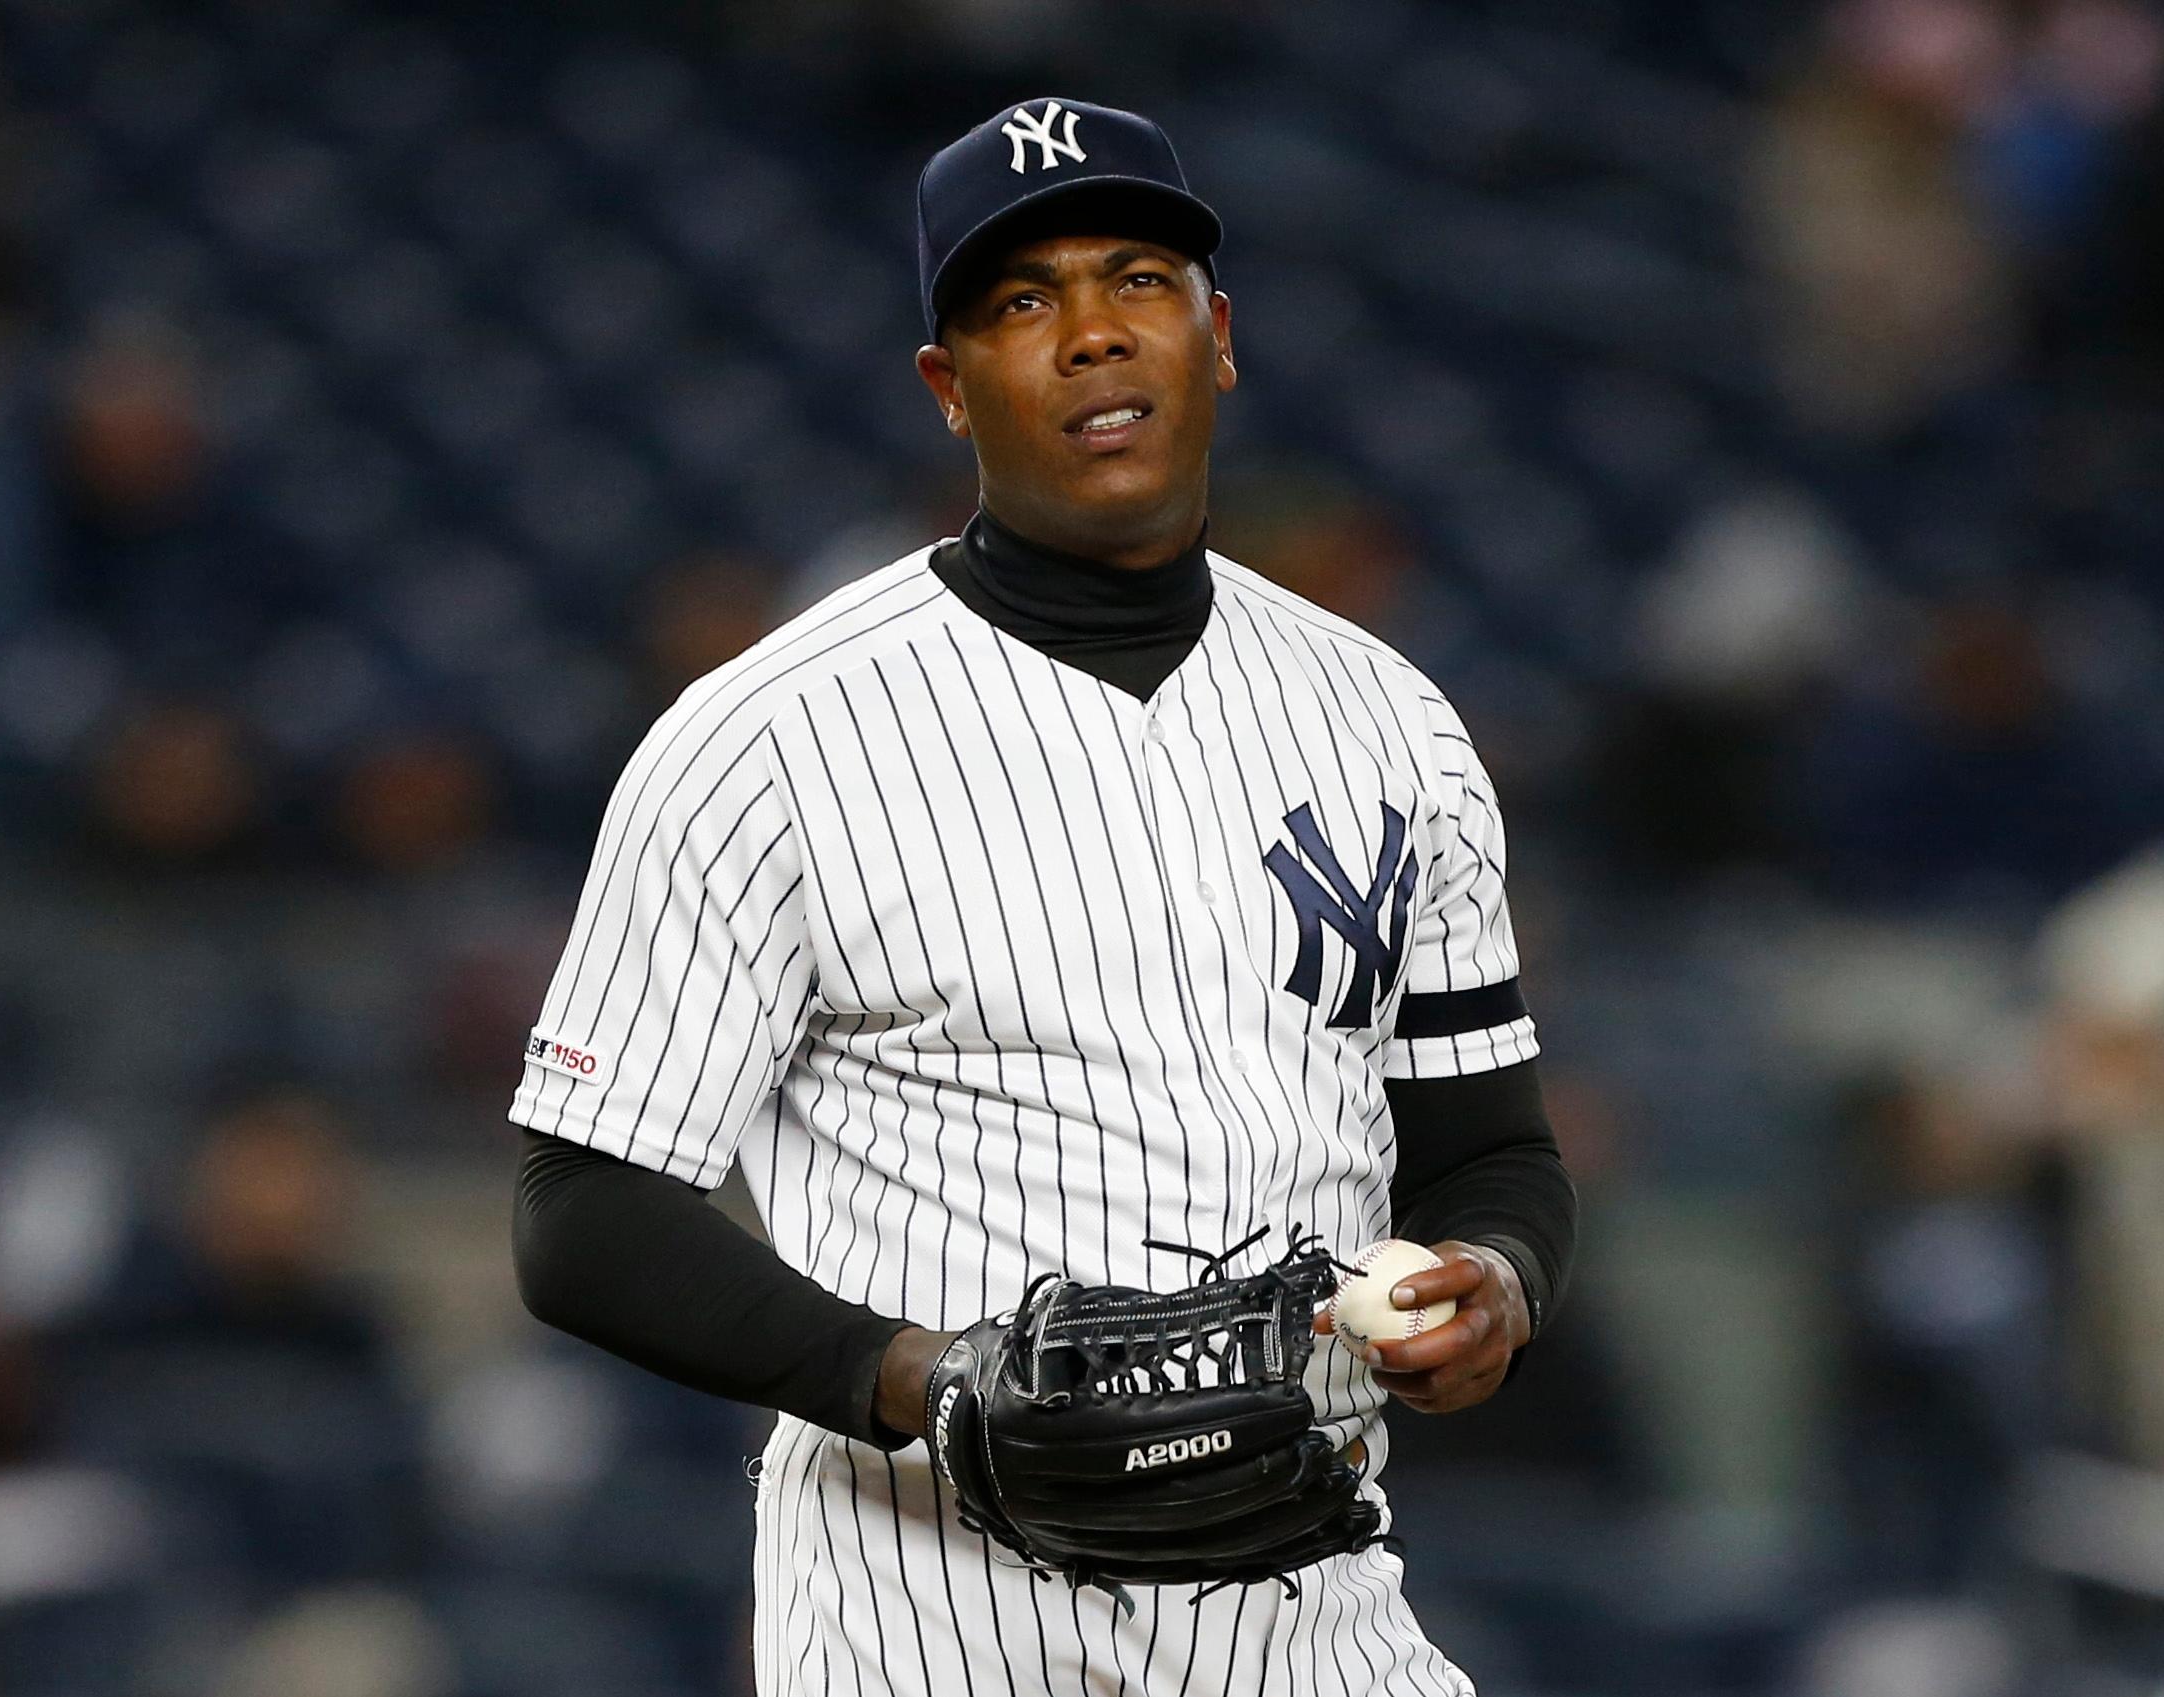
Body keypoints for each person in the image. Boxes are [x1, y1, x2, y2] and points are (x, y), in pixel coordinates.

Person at [509, 97, 1577, 1695]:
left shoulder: (1394, 722)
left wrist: (1489, 1285)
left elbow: (1490, 1150)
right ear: (948, 388)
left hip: (1315, 1612)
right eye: (1021, 301)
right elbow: (581, 1212)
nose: (1090, 335)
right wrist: (922, 1379)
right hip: (935, 1630)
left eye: (1138, 278)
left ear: (1219, 337)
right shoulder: (765, 735)